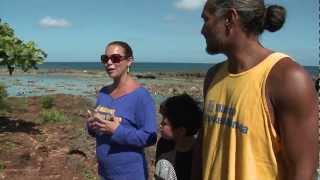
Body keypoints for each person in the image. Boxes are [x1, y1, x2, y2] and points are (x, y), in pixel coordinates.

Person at [192, 0, 318, 180]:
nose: (202, 30)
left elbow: (303, 171)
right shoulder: (213, 77)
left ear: (229, 18)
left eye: (206, 19)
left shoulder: (286, 78)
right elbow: (203, 147)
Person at [86, 41, 157, 180]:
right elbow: (96, 130)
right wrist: (91, 125)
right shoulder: (104, 93)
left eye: (116, 58)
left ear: (129, 61)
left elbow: (150, 137)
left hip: (130, 175)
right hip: (105, 173)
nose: (109, 62)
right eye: (105, 59)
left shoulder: (141, 96)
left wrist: (116, 131)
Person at [155, 93, 202, 180]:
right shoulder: (163, 143)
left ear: (181, 131)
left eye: (165, 123)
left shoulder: (197, 156)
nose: (160, 125)